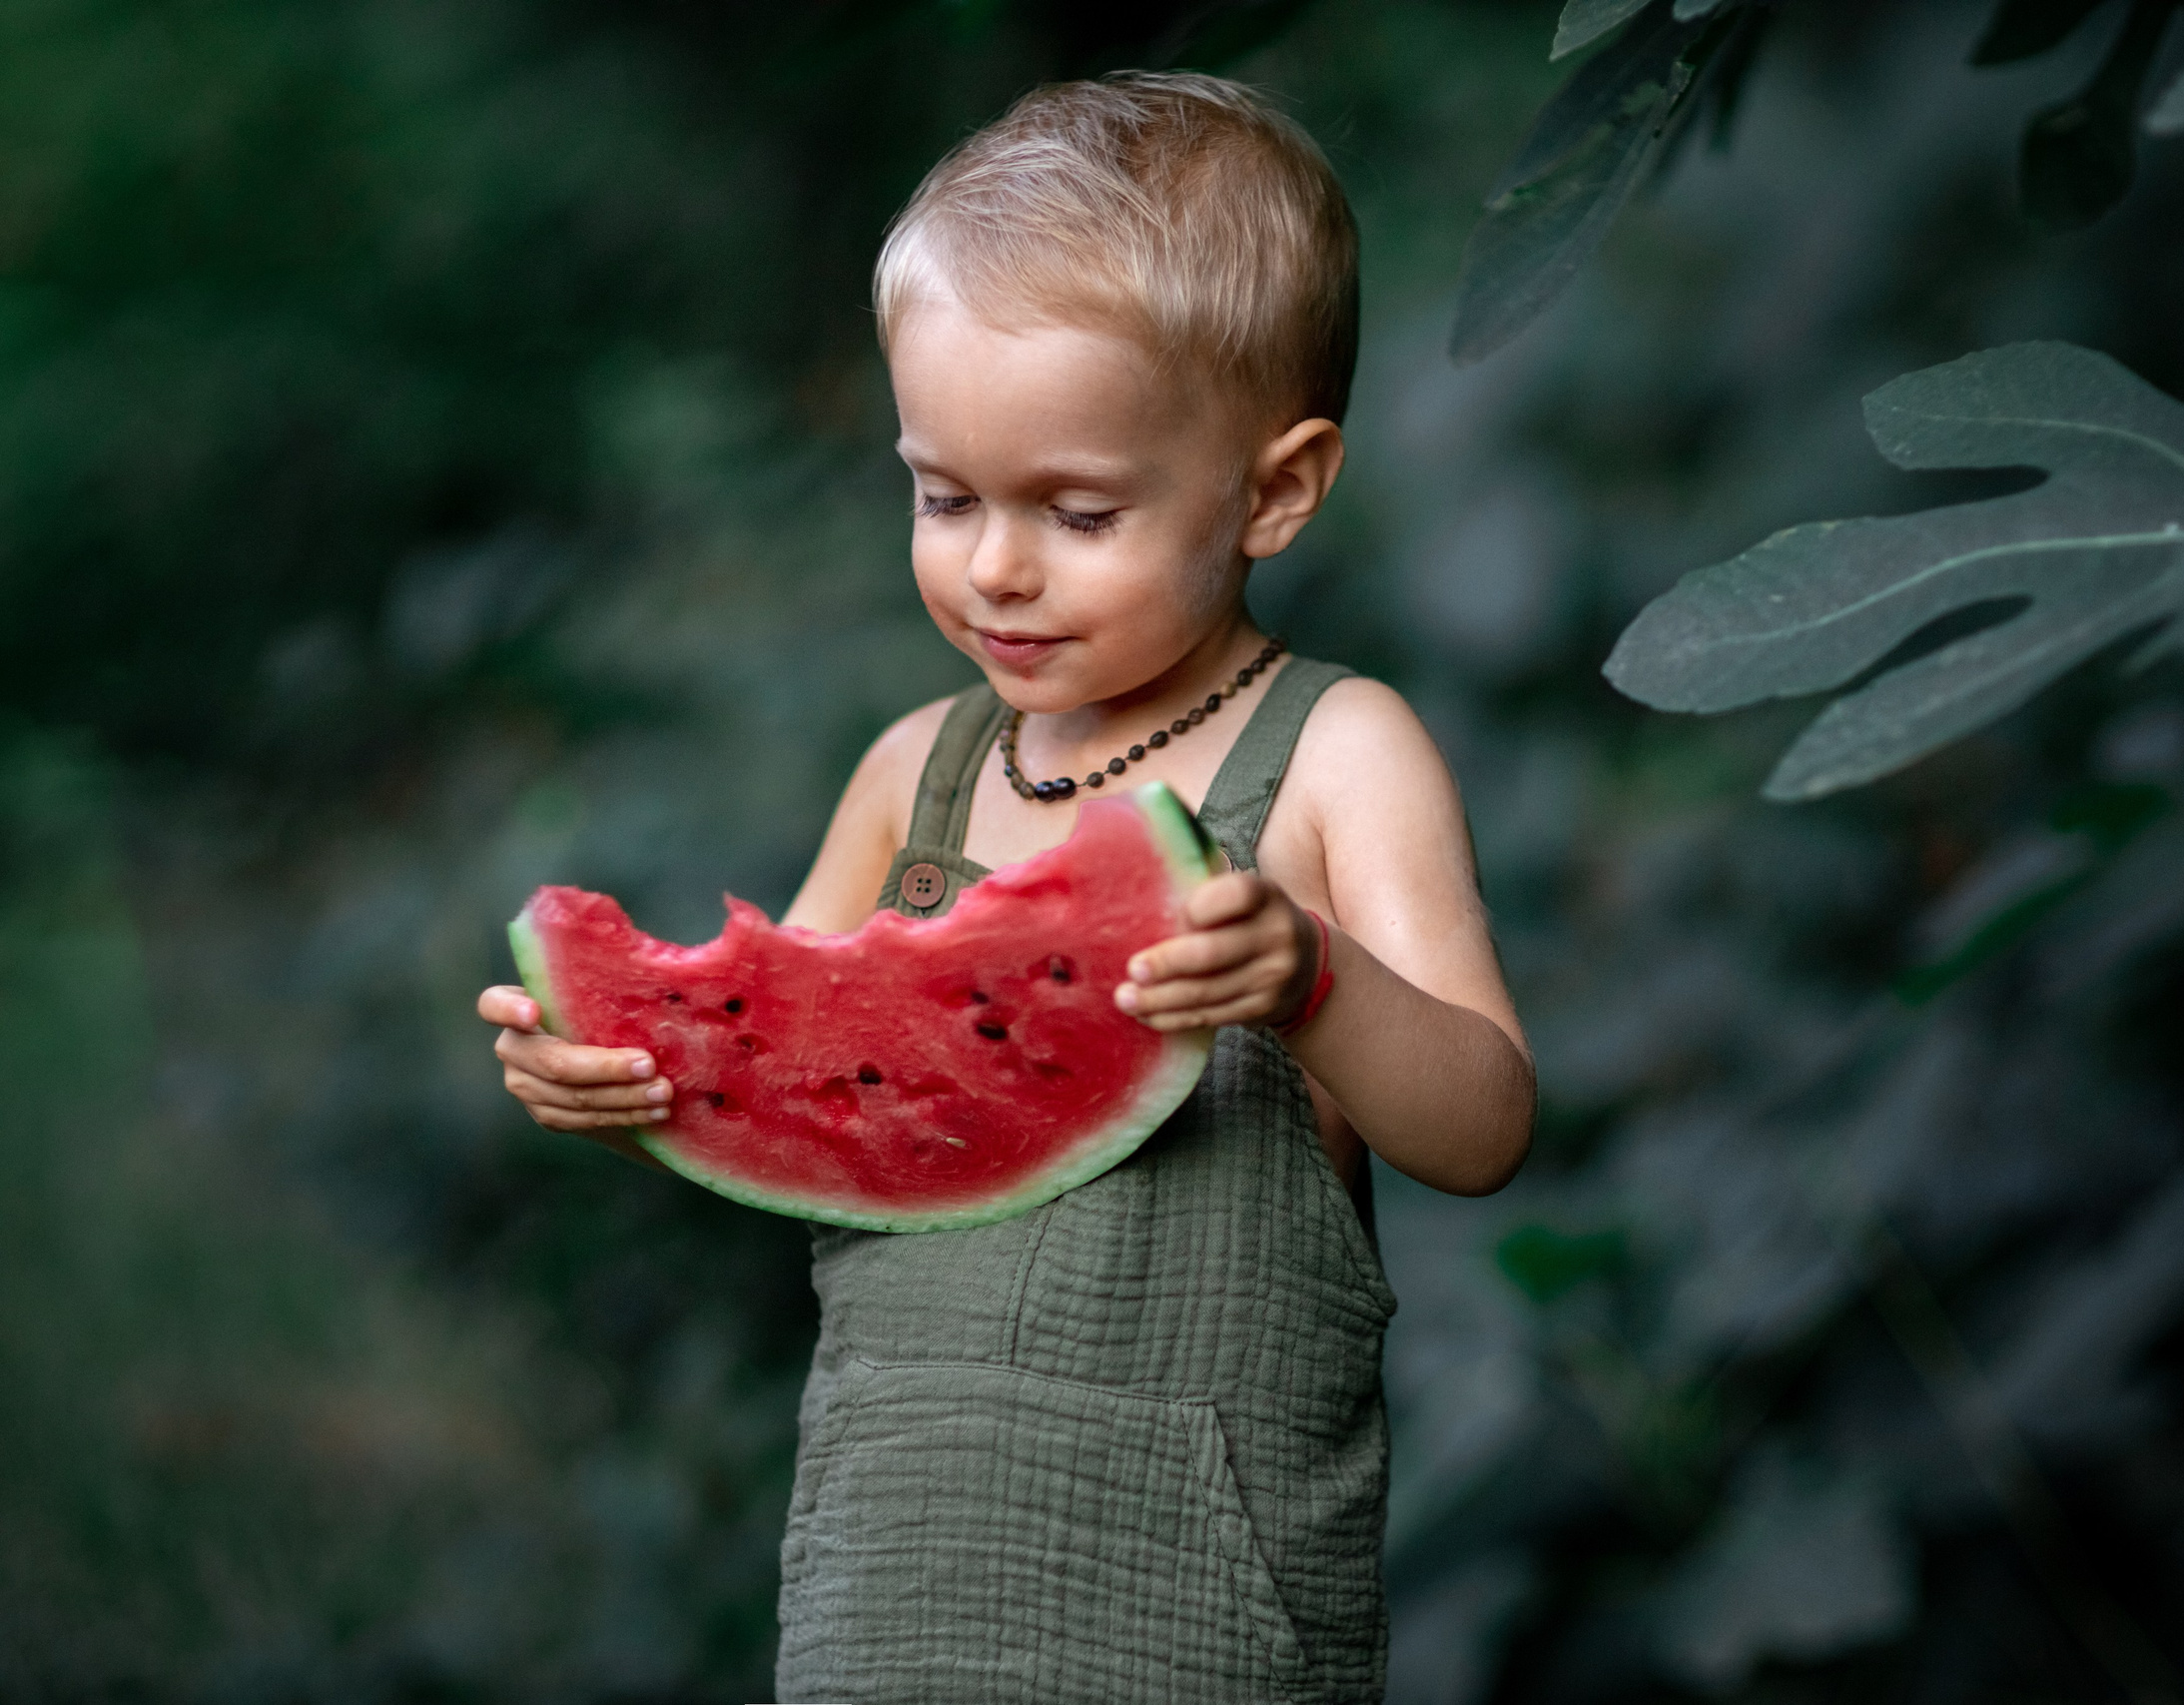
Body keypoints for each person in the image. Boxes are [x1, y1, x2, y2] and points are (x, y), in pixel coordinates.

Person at [477, 71, 1534, 1704]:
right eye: (944, 494)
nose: (994, 568)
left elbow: (1482, 1127)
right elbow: (784, 1080)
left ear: (1276, 488)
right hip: (887, 1582)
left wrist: (1305, 975)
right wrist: (619, 1074)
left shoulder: (1338, 758)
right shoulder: (919, 772)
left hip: (1204, 1614)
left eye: (1079, 510)